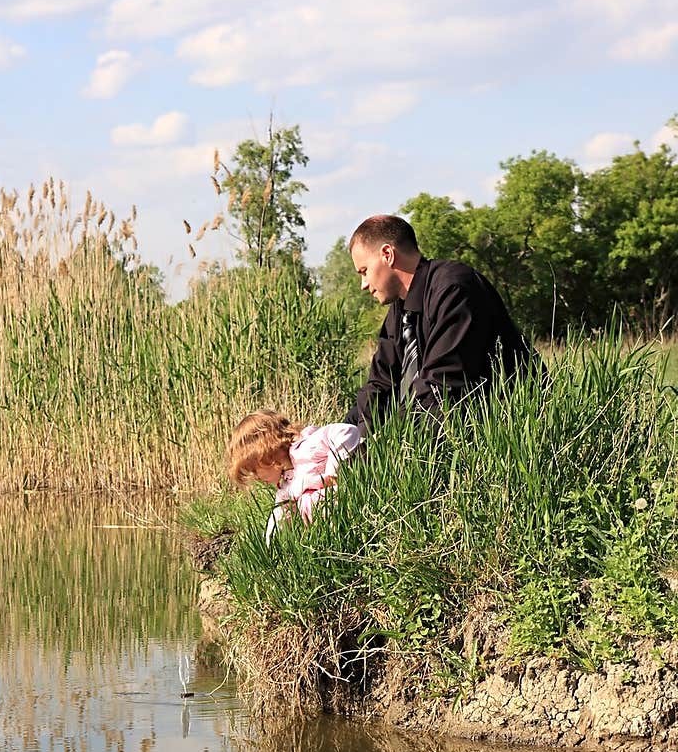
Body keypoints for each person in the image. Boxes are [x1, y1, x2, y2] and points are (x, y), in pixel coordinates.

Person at [346, 214, 535, 431]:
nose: (363, 284)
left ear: (387, 254)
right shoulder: (400, 311)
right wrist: (339, 438)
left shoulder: (455, 290)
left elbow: (440, 391)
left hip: (509, 430)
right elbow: (381, 386)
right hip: (450, 428)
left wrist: (376, 449)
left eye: (364, 271)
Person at [227, 409, 361, 545]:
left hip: (349, 505)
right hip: (331, 531)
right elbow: (280, 512)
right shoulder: (287, 481)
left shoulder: (305, 449)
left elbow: (347, 432)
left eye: (255, 470)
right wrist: (270, 545)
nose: (256, 477)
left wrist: (333, 472)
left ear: (266, 454)